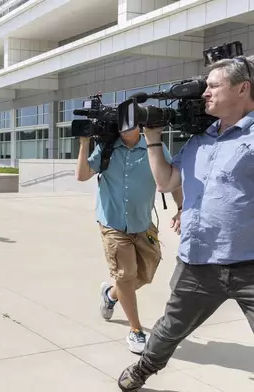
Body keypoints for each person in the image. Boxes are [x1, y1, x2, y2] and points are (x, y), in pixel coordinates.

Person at [117, 57, 254, 391]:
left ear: (242, 88)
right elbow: (165, 182)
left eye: (213, 85)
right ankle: (143, 369)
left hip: (250, 264)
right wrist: (152, 139)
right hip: (198, 264)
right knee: (170, 328)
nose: (205, 92)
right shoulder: (199, 140)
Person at [76, 124, 182, 354]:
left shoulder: (155, 147)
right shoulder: (107, 148)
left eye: (131, 123)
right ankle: (135, 330)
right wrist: (84, 144)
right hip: (112, 223)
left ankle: (111, 294)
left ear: (140, 125)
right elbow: (82, 175)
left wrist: (181, 207)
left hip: (142, 223)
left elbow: (172, 177)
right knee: (125, 275)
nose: (125, 128)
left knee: (145, 274)